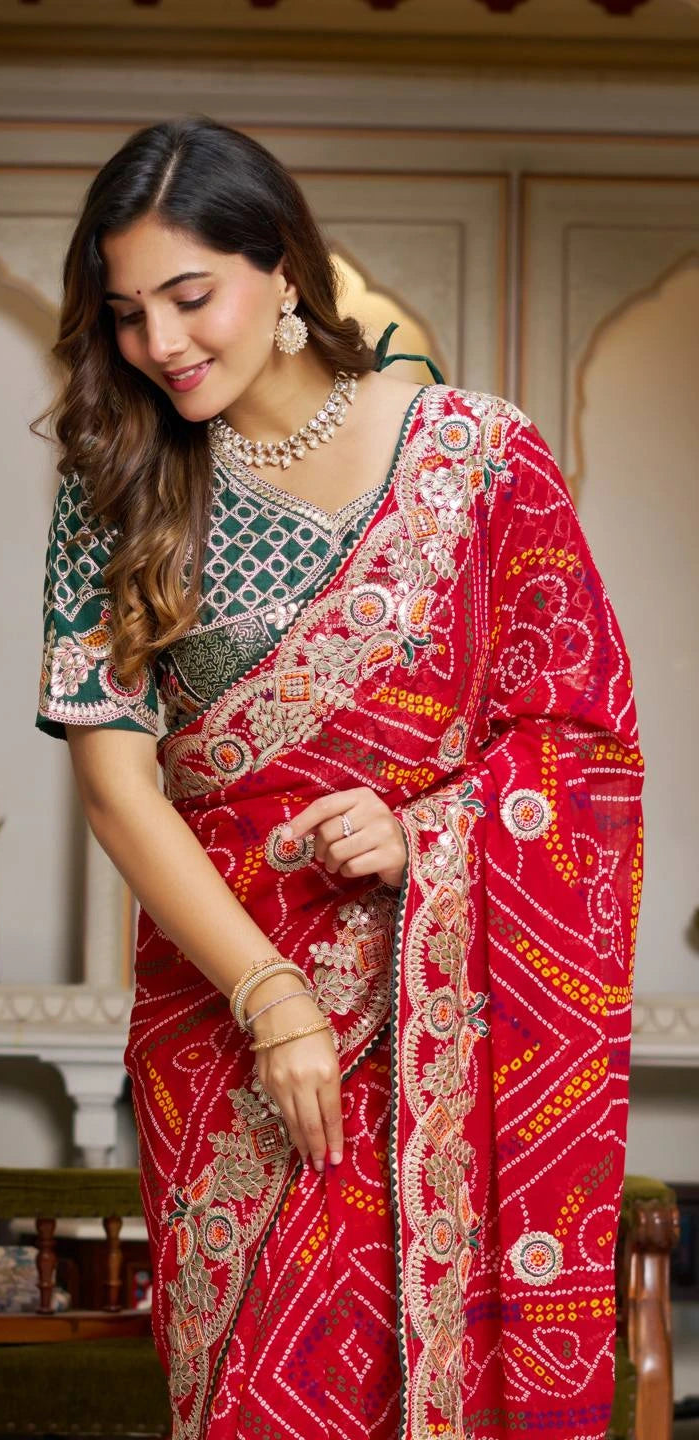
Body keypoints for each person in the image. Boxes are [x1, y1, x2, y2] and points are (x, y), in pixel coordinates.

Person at [34, 117, 643, 1440]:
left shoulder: (480, 462)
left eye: (193, 296)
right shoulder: (118, 481)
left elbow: (580, 748)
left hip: (449, 1018)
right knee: (261, 1390)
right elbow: (116, 789)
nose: (164, 343)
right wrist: (271, 1002)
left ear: (287, 270)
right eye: (130, 313)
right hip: (226, 1026)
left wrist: (432, 826)